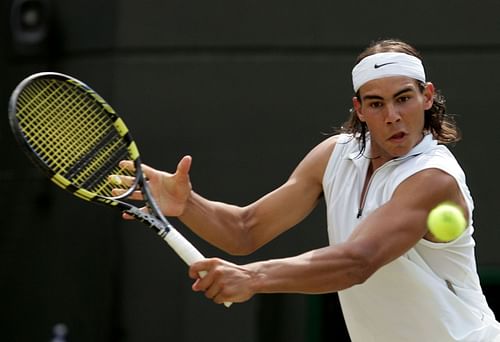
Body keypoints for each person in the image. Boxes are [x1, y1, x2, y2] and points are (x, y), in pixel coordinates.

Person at [115, 39, 500, 341]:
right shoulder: (334, 155)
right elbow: (246, 229)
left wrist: (252, 278)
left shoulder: (433, 177)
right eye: (376, 103)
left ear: (427, 96)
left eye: (404, 98)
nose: (393, 116)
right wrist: (188, 205)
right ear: (360, 109)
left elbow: (357, 262)